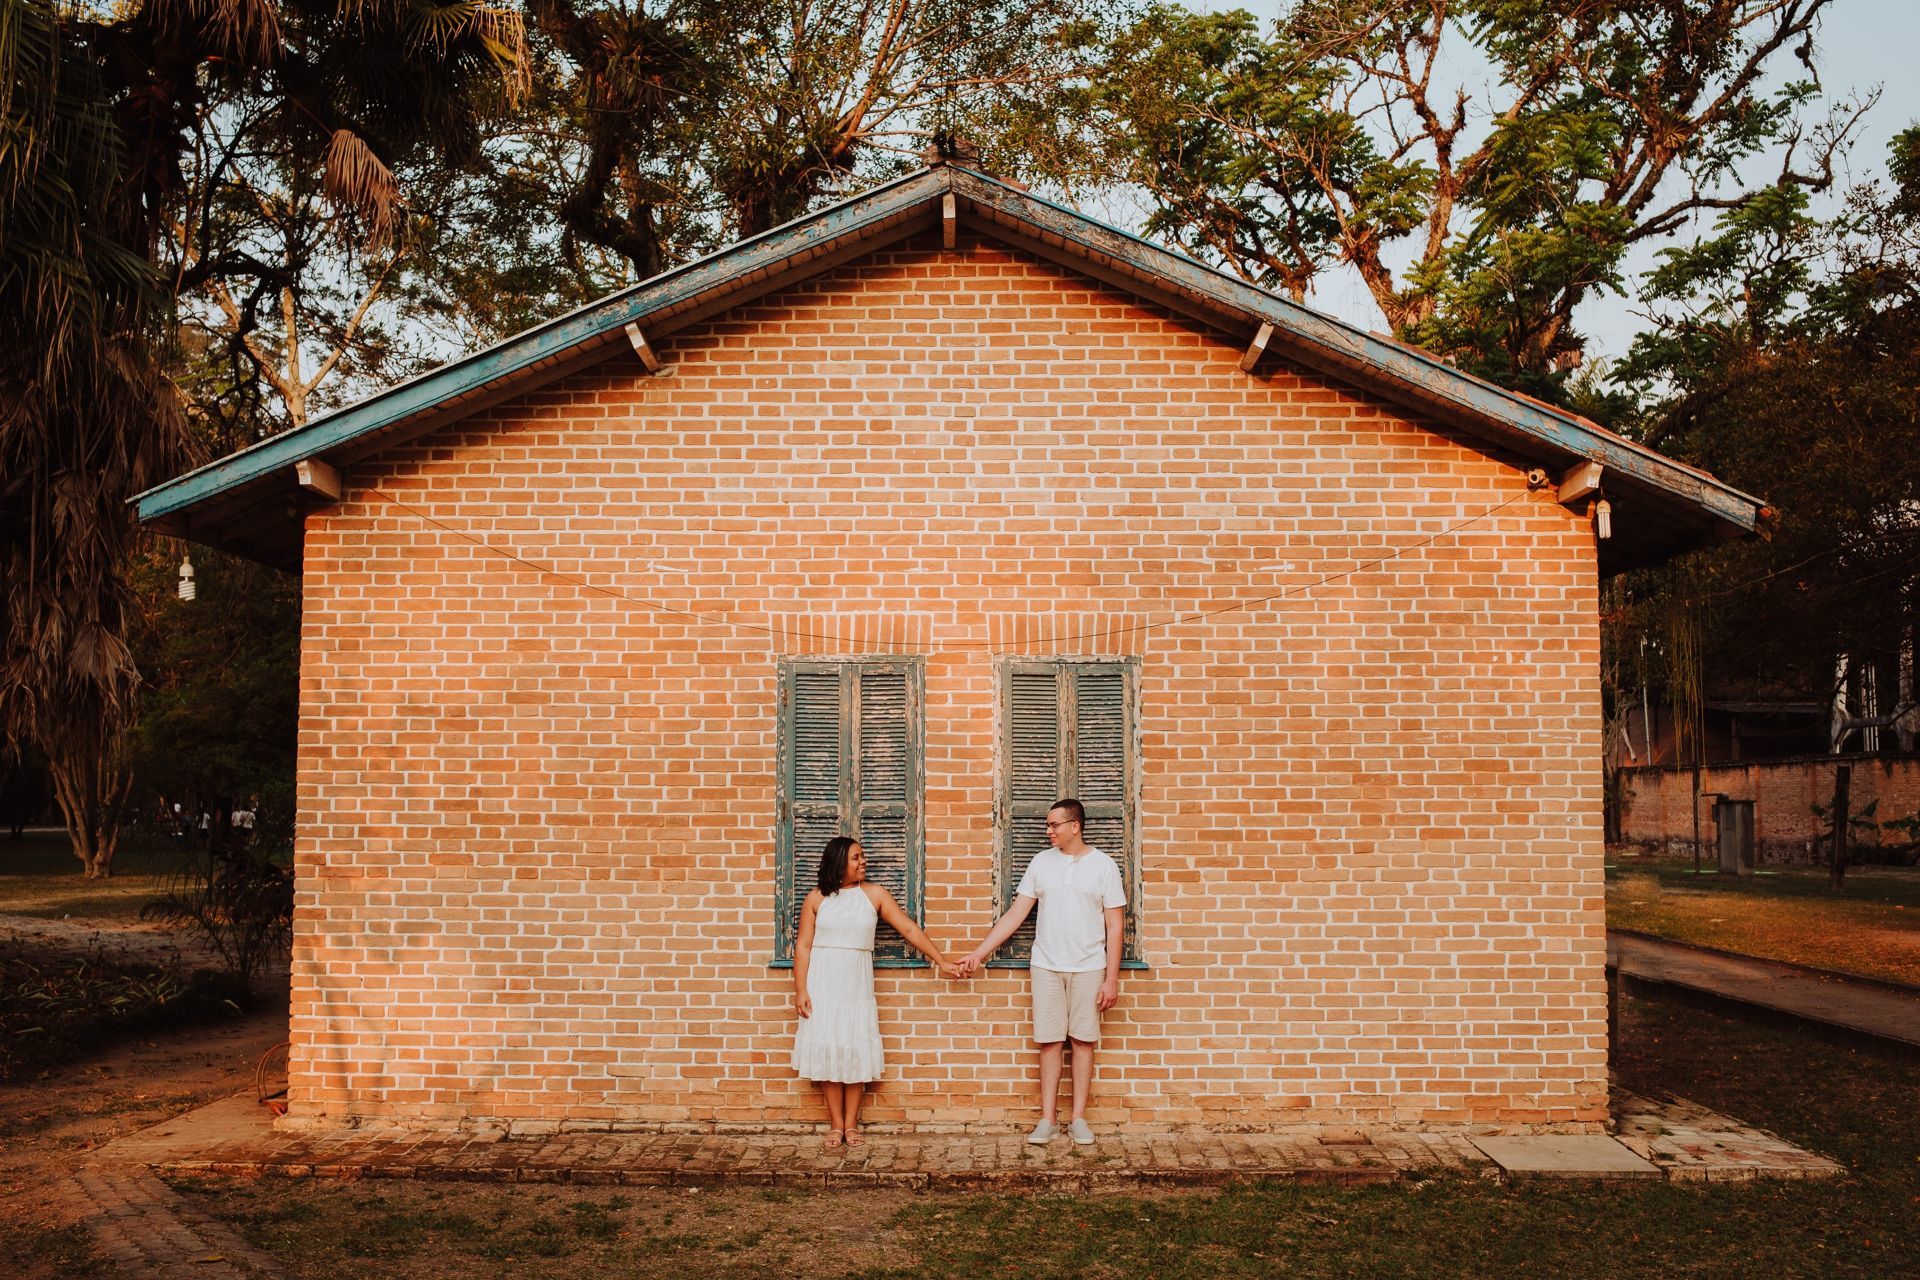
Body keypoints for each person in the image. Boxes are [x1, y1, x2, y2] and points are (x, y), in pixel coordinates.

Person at [957, 798, 1125, 1146]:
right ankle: (1047, 1119)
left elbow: (1115, 925)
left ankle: (1078, 1119)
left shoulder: (1104, 866)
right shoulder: (1040, 863)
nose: (1049, 831)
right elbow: (1015, 915)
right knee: (1049, 1041)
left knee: (1082, 1040)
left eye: (1055, 825)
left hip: (1089, 965)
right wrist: (979, 953)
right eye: (1048, 825)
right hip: (1046, 964)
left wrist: (1111, 978)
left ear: (1075, 825)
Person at [792, 835, 961, 1147]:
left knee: (854, 1048)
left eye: (863, 856)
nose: (863, 862)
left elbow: (908, 929)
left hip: (856, 982)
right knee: (830, 1049)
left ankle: (852, 1125)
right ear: (839, 862)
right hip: (823, 981)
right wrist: (801, 988)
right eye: (856, 857)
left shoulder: (874, 895)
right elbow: (803, 946)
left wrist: (942, 961)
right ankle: (836, 1125)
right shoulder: (816, 898)